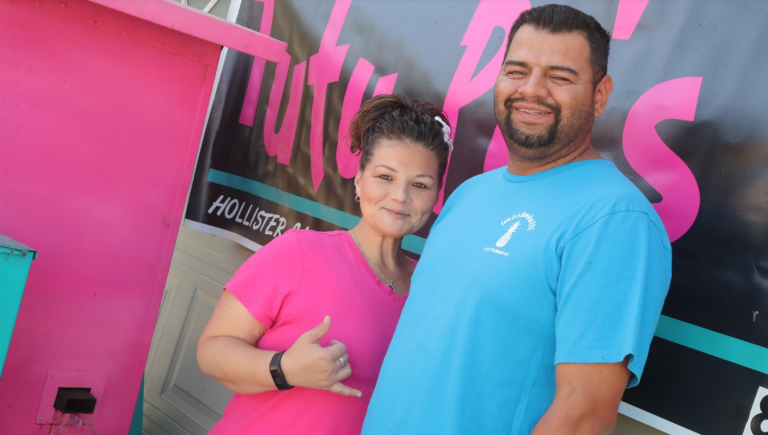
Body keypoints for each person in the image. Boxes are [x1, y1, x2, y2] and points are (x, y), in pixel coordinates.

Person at [362, 5, 671, 435]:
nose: (532, 89)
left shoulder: (614, 221)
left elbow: (583, 416)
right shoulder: (470, 193)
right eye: (516, 70)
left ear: (600, 95)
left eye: (560, 77)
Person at [196, 94, 452, 435]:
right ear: (359, 179)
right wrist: (283, 368)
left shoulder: (430, 292)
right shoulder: (298, 252)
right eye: (385, 177)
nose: (401, 197)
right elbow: (212, 350)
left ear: (436, 197)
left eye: (420, 184)